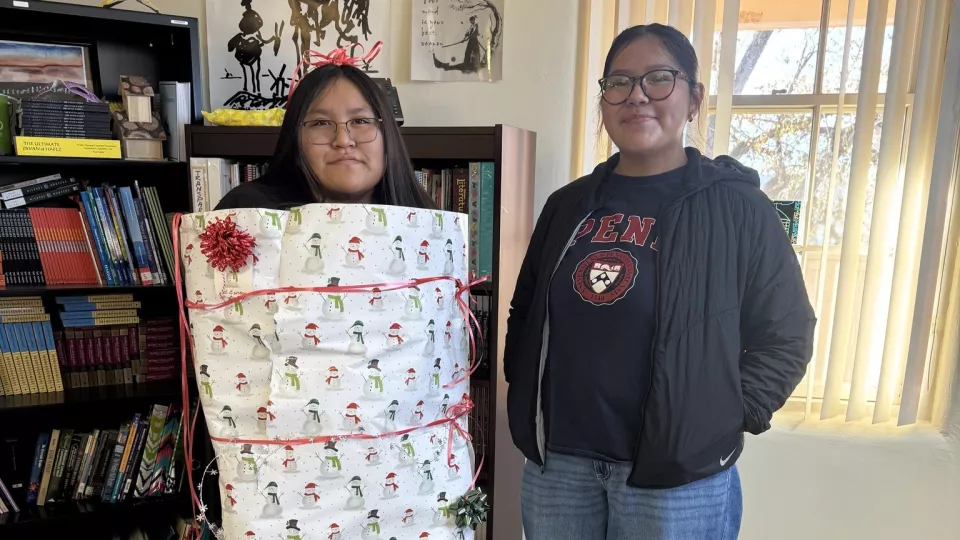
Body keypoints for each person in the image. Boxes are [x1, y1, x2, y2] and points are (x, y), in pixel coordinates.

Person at [504, 24, 816, 539]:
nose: (637, 96)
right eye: (620, 82)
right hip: (559, 466)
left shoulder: (739, 209)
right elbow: (526, 313)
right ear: (604, 100)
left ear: (694, 98)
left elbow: (786, 334)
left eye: (659, 78)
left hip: (676, 479)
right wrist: (524, 397)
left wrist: (722, 418)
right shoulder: (568, 205)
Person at [215, 54, 435, 211]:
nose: (342, 140)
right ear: (295, 139)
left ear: (388, 136)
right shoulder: (244, 211)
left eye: (360, 120)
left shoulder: (429, 222)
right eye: (321, 123)